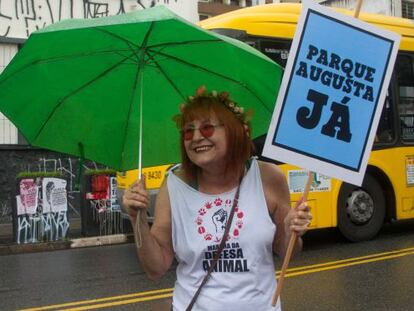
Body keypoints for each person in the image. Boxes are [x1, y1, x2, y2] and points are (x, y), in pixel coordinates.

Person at [123, 86, 312, 311]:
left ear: (234, 130)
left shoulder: (268, 177)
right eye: (187, 131)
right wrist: (138, 221)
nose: (195, 138)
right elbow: (155, 268)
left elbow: (286, 250)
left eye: (207, 128)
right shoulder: (173, 186)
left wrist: (292, 231)